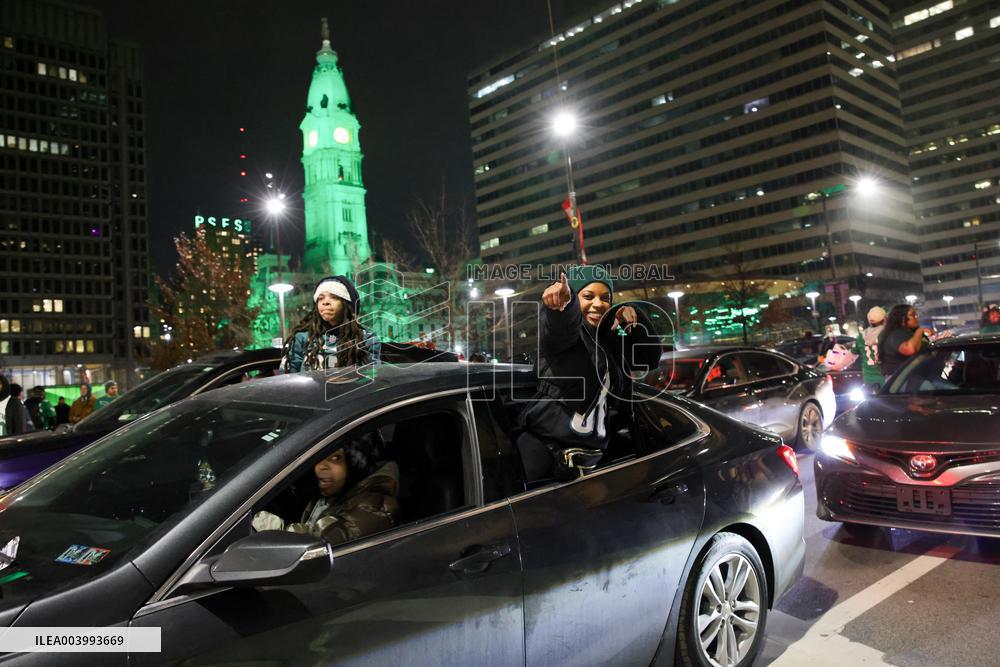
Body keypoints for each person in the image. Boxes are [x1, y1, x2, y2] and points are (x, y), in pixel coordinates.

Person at [517, 266, 662, 481]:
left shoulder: (610, 341)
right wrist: (564, 306)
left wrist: (634, 317)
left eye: (605, 298)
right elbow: (562, 327)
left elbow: (649, 359)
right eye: (588, 296)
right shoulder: (566, 339)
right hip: (544, 455)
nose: (598, 304)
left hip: (589, 460)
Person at [252, 437, 400, 546]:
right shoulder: (333, 491)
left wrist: (267, 525)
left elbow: (321, 542)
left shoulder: (375, 506)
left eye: (335, 458)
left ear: (356, 462)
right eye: (319, 457)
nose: (321, 466)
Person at [280, 275, 381, 373]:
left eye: (334, 297)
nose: (325, 302)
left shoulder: (366, 339)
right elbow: (288, 378)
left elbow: (372, 378)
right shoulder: (302, 337)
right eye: (320, 298)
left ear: (348, 305)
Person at [878, 304, 933, 379]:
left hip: (918, 376)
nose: (916, 318)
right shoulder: (896, 334)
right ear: (902, 318)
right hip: (901, 380)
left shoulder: (911, 333)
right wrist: (920, 331)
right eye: (913, 315)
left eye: (916, 315)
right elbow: (910, 349)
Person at [852, 306, 887, 392]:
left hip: (868, 378)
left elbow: (852, 353)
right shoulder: (887, 334)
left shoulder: (861, 336)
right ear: (884, 319)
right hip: (886, 377)